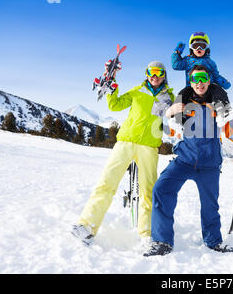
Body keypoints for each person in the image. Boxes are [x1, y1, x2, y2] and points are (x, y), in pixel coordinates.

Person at [143, 65, 233, 256]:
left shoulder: (219, 105)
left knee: (210, 205)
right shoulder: (184, 103)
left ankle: (213, 241)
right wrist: (169, 113)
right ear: (191, 82)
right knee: (162, 189)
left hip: (209, 164)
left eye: (203, 78)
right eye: (195, 79)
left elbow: (232, 131)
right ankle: (162, 242)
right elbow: (169, 131)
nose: (199, 83)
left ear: (209, 80)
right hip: (184, 160)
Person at [72, 61, 175, 245]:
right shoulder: (137, 91)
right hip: (126, 142)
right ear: (146, 74)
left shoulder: (169, 97)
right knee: (106, 182)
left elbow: (171, 121)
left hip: (149, 147)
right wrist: (112, 87)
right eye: (150, 72)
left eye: (159, 72)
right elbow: (115, 106)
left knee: (148, 191)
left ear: (164, 75)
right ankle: (87, 226)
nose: (154, 75)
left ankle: (147, 234)